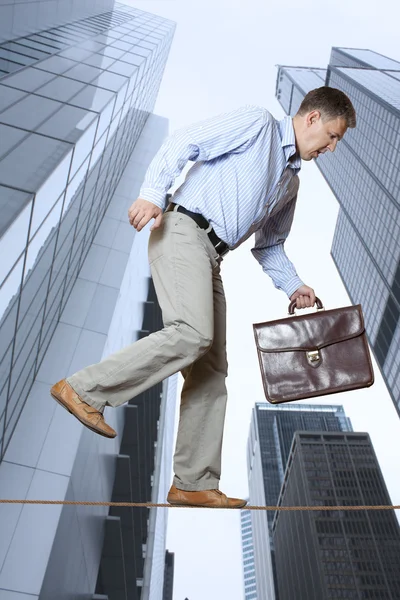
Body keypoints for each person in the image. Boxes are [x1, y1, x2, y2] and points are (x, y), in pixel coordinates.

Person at [51, 86, 356, 509]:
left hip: (212, 256)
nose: (332, 147)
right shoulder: (258, 124)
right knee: (192, 332)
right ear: (312, 118)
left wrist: (294, 285)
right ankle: (84, 390)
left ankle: (193, 482)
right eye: (334, 136)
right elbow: (185, 142)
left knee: (212, 368)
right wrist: (153, 193)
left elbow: (268, 246)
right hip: (181, 230)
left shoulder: (290, 184)